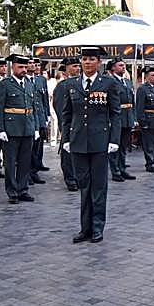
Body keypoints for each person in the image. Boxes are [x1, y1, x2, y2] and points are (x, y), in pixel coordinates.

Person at [59, 46, 122, 243]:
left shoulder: (108, 84)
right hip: (78, 141)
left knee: (99, 187)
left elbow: (115, 114)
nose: (87, 63)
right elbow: (66, 115)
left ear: (99, 62)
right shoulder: (71, 84)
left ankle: (97, 227)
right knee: (84, 186)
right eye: (84, 59)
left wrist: (114, 139)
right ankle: (84, 228)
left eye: (91, 59)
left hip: (100, 141)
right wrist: (65, 139)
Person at [0, 54, 38, 204]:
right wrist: (0, 129)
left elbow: (33, 107)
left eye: (25, 67)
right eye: (20, 67)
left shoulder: (29, 84)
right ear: (12, 67)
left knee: (25, 162)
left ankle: (23, 189)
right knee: (10, 163)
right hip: (11, 129)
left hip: (27, 127)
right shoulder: (5, 84)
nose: (24, 69)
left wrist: (35, 127)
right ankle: (12, 191)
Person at [52, 56, 81, 190]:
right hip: (69, 125)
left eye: (78, 66)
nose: (78, 68)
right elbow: (60, 108)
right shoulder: (62, 86)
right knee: (68, 154)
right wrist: (64, 126)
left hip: (81, 125)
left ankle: (79, 178)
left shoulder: (82, 83)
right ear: (66, 69)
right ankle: (70, 179)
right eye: (74, 66)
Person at [107, 58, 136, 181]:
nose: (123, 67)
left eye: (124, 65)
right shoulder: (110, 82)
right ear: (113, 68)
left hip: (127, 116)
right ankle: (115, 171)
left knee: (124, 146)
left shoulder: (127, 82)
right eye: (120, 65)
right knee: (115, 145)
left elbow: (132, 101)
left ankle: (122, 168)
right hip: (116, 117)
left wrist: (134, 117)